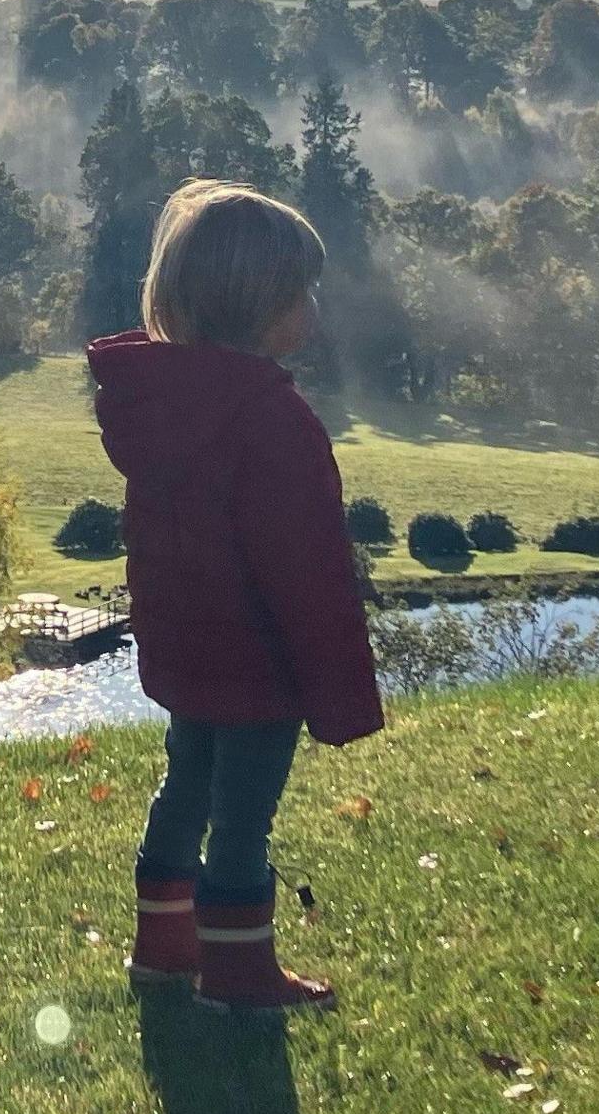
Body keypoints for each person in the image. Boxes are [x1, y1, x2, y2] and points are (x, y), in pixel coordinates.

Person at [88, 179, 383, 1017]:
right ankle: (239, 972)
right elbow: (307, 570)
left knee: (187, 783)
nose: (314, 308)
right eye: (302, 291)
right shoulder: (271, 421)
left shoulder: (161, 409)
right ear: (261, 305)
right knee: (243, 815)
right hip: (255, 657)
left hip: (184, 643)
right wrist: (338, 688)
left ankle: (163, 944)